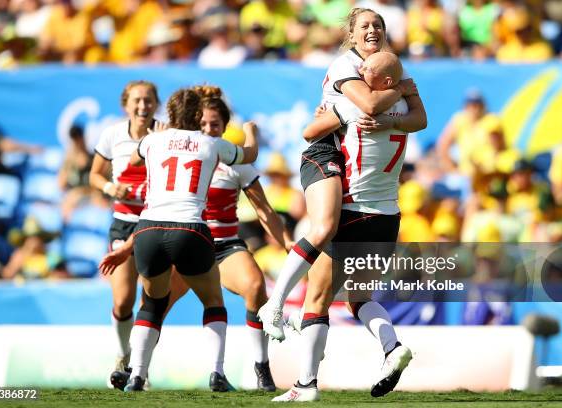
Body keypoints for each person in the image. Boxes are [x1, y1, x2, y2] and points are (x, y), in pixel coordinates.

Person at [100, 85, 291, 392]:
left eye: (215, 124)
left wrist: (287, 244)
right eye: (204, 123)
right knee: (191, 303)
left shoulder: (158, 142)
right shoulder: (214, 148)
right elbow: (250, 152)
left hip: (211, 243)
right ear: (196, 119)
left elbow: (264, 210)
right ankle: (161, 370)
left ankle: (260, 368)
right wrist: (252, 131)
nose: (208, 128)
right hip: (193, 235)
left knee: (253, 287)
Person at [258, 7, 426, 343]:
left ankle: (314, 377)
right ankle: (274, 304)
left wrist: (395, 103)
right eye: (364, 25)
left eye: (378, 25)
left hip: (354, 168)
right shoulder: (346, 65)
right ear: (351, 34)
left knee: (337, 292)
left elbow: (419, 119)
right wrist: (401, 88)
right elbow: (367, 105)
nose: (372, 31)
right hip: (325, 150)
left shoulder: (387, 67)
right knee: (323, 229)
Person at [272, 52, 418, 402]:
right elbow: (421, 119)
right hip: (388, 217)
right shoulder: (404, 113)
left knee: (317, 298)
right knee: (359, 298)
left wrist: (328, 115)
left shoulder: (358, 109)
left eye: (368, 69)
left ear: (383, 82)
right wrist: (402, 91)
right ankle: (392, 346)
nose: (360, 70)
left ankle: (306, 384)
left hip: (352, 211)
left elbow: (309, 133)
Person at [88, 80, 188, 385]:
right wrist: (109, 187)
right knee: (122, 301)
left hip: (156, 222)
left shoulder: (167, 134)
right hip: (123, 222)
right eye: (137, 100)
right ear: (125, 104)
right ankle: (123, 357)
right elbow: (94, 174)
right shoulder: (112, 135)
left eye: (148, 100)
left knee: (152, 300)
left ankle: (138, 370)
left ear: (156, 103)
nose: (142, 106)